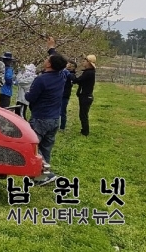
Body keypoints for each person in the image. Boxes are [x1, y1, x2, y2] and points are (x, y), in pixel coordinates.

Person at [27, 37, 67, 185]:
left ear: (49, 64)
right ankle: (44, 174)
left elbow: (31, 97)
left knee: (33, 147)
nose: (46, 59)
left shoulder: (41, 80)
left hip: (40, 118)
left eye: (48, 58)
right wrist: (51, 48)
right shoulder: (62, 76)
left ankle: (42, 175)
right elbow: (59, 63)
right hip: (55, 118)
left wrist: (25, 92)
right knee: (46, 148)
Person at [73, 54, 96, 136]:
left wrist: (71, 74)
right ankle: (84, 130)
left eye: (85, 61)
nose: (83, 62)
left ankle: (85, 132)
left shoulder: (88, 73)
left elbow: (78, 80)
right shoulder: (89, 72)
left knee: (83, 115)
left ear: (89, 63)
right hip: (86, 96)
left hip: (86, 97)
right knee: (83, 114)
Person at [59, 61, 77, 131]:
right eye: (68, 64)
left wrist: (67, 72)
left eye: (71, 66)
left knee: (62, 111)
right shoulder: (62, 72)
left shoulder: (71, 75)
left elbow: (73, 79)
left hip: (65, 95)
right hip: (59, 94)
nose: (69, 66)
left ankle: (62, 127)